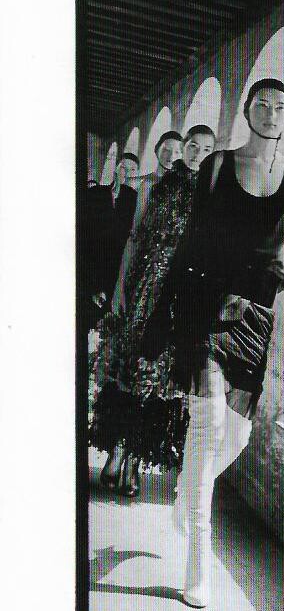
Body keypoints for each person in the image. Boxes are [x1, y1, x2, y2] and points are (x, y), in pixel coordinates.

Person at [143, 79, 284, 608]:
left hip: (257, 318)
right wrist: (162, 315)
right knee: (209, 425)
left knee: (237, 437)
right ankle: (199, 562)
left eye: (279, 106)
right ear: (246, 110)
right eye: (261, 104)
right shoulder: (218, 167)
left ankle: (188, 490)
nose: (270, 112)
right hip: (206, 308)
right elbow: (191, 240)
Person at [89, 126, 217, 495]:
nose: (196, 153)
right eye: (192, 146)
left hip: (178, 297)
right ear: (183, 147)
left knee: (160, 379)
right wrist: (120, 290)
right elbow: (134, 238)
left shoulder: (210, 194)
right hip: (143, 286)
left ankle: (133, 460)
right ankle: (116, 453)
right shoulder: (156, 185)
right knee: (129, 369)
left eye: (205, 149)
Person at [82, 152, 139, 330]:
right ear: (116, 169)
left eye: (133, 170)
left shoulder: (136, 202)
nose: (127, 173)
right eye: (123, 167)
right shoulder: (96, 193)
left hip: (115, 272)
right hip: (91, 268)